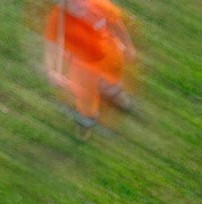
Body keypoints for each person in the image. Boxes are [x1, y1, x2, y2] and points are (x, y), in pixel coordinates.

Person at [43, 0, 136, 131]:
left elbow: (116, 23)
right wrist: (51, 70)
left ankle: (115, 95)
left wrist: (128, 45)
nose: (77, 5)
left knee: (112, 83)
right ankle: (88, 115)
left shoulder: (100, 5)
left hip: (108, 56)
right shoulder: (58, 18)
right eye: (70, 3)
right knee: (85, 93)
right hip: (82, 65)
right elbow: (51, 46)